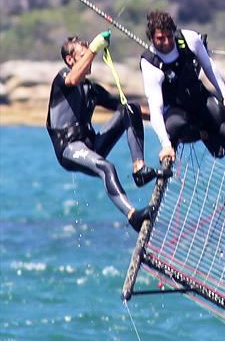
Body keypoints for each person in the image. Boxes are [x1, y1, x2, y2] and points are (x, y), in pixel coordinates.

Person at [139, 10, 225, 184]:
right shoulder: (150, 63)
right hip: (177, 113)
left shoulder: (189, 39)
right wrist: (166, 145)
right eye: (160, 38)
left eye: (169, 36)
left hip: (201, 100)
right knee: (176, 126)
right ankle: (204, 134)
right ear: (151, 38)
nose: (167, 42)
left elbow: (209, 67)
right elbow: (156, 109)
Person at [47, 32, 163, 231]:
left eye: (88, 55)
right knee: (107, 168)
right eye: (82, 56)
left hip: (92, 144)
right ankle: (132, 215)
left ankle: (139, 169)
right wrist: (94, 47)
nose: (89, 59)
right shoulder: (63, 79)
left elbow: (129, 110)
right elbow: (73, 79)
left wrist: (161, 117)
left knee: (130, 108)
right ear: (70, 59)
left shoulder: (92, 89)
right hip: (69, 149)